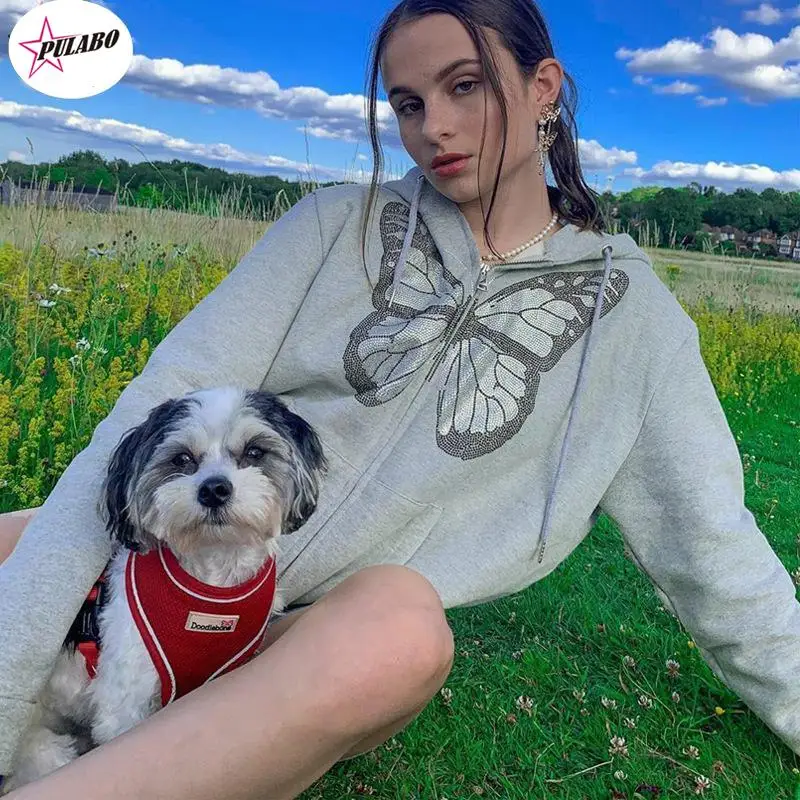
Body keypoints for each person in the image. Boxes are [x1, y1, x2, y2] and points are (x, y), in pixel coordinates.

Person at [1, 0, 799, 797]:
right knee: (26, 544)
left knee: (401, 627)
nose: (433, 128)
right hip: (167, 566)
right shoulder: (332, 226)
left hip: (305, 642)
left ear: (544, 88)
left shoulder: (635, 323)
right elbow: (155, 410)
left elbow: (714, 548)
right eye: (408, 104)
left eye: (465, 86)